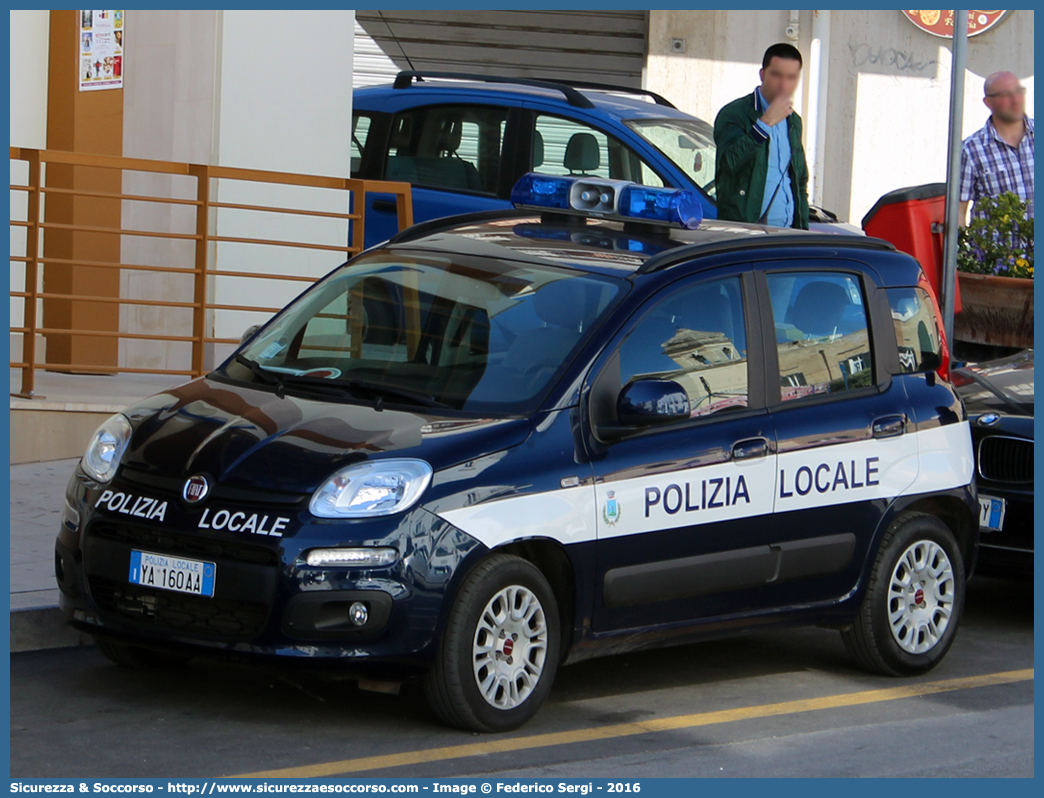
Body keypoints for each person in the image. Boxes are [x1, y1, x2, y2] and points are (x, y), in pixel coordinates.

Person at [714, 43, 809, 229]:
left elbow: (799, 179)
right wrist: (764, 124)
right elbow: (729, 163)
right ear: (763, 74)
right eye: (776, 75)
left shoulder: (793, 121)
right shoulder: (735, 113)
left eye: (791, 78)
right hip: (747, 234)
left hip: (788, 234)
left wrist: (803, 228)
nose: (783, 85)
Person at [959, 71, 1034, 224]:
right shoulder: (971, 150)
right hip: (998, 247)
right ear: (988, 102)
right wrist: (959, 246)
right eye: (1005, 95)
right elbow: (958, 210)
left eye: (1018, 91)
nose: (1015, 100)